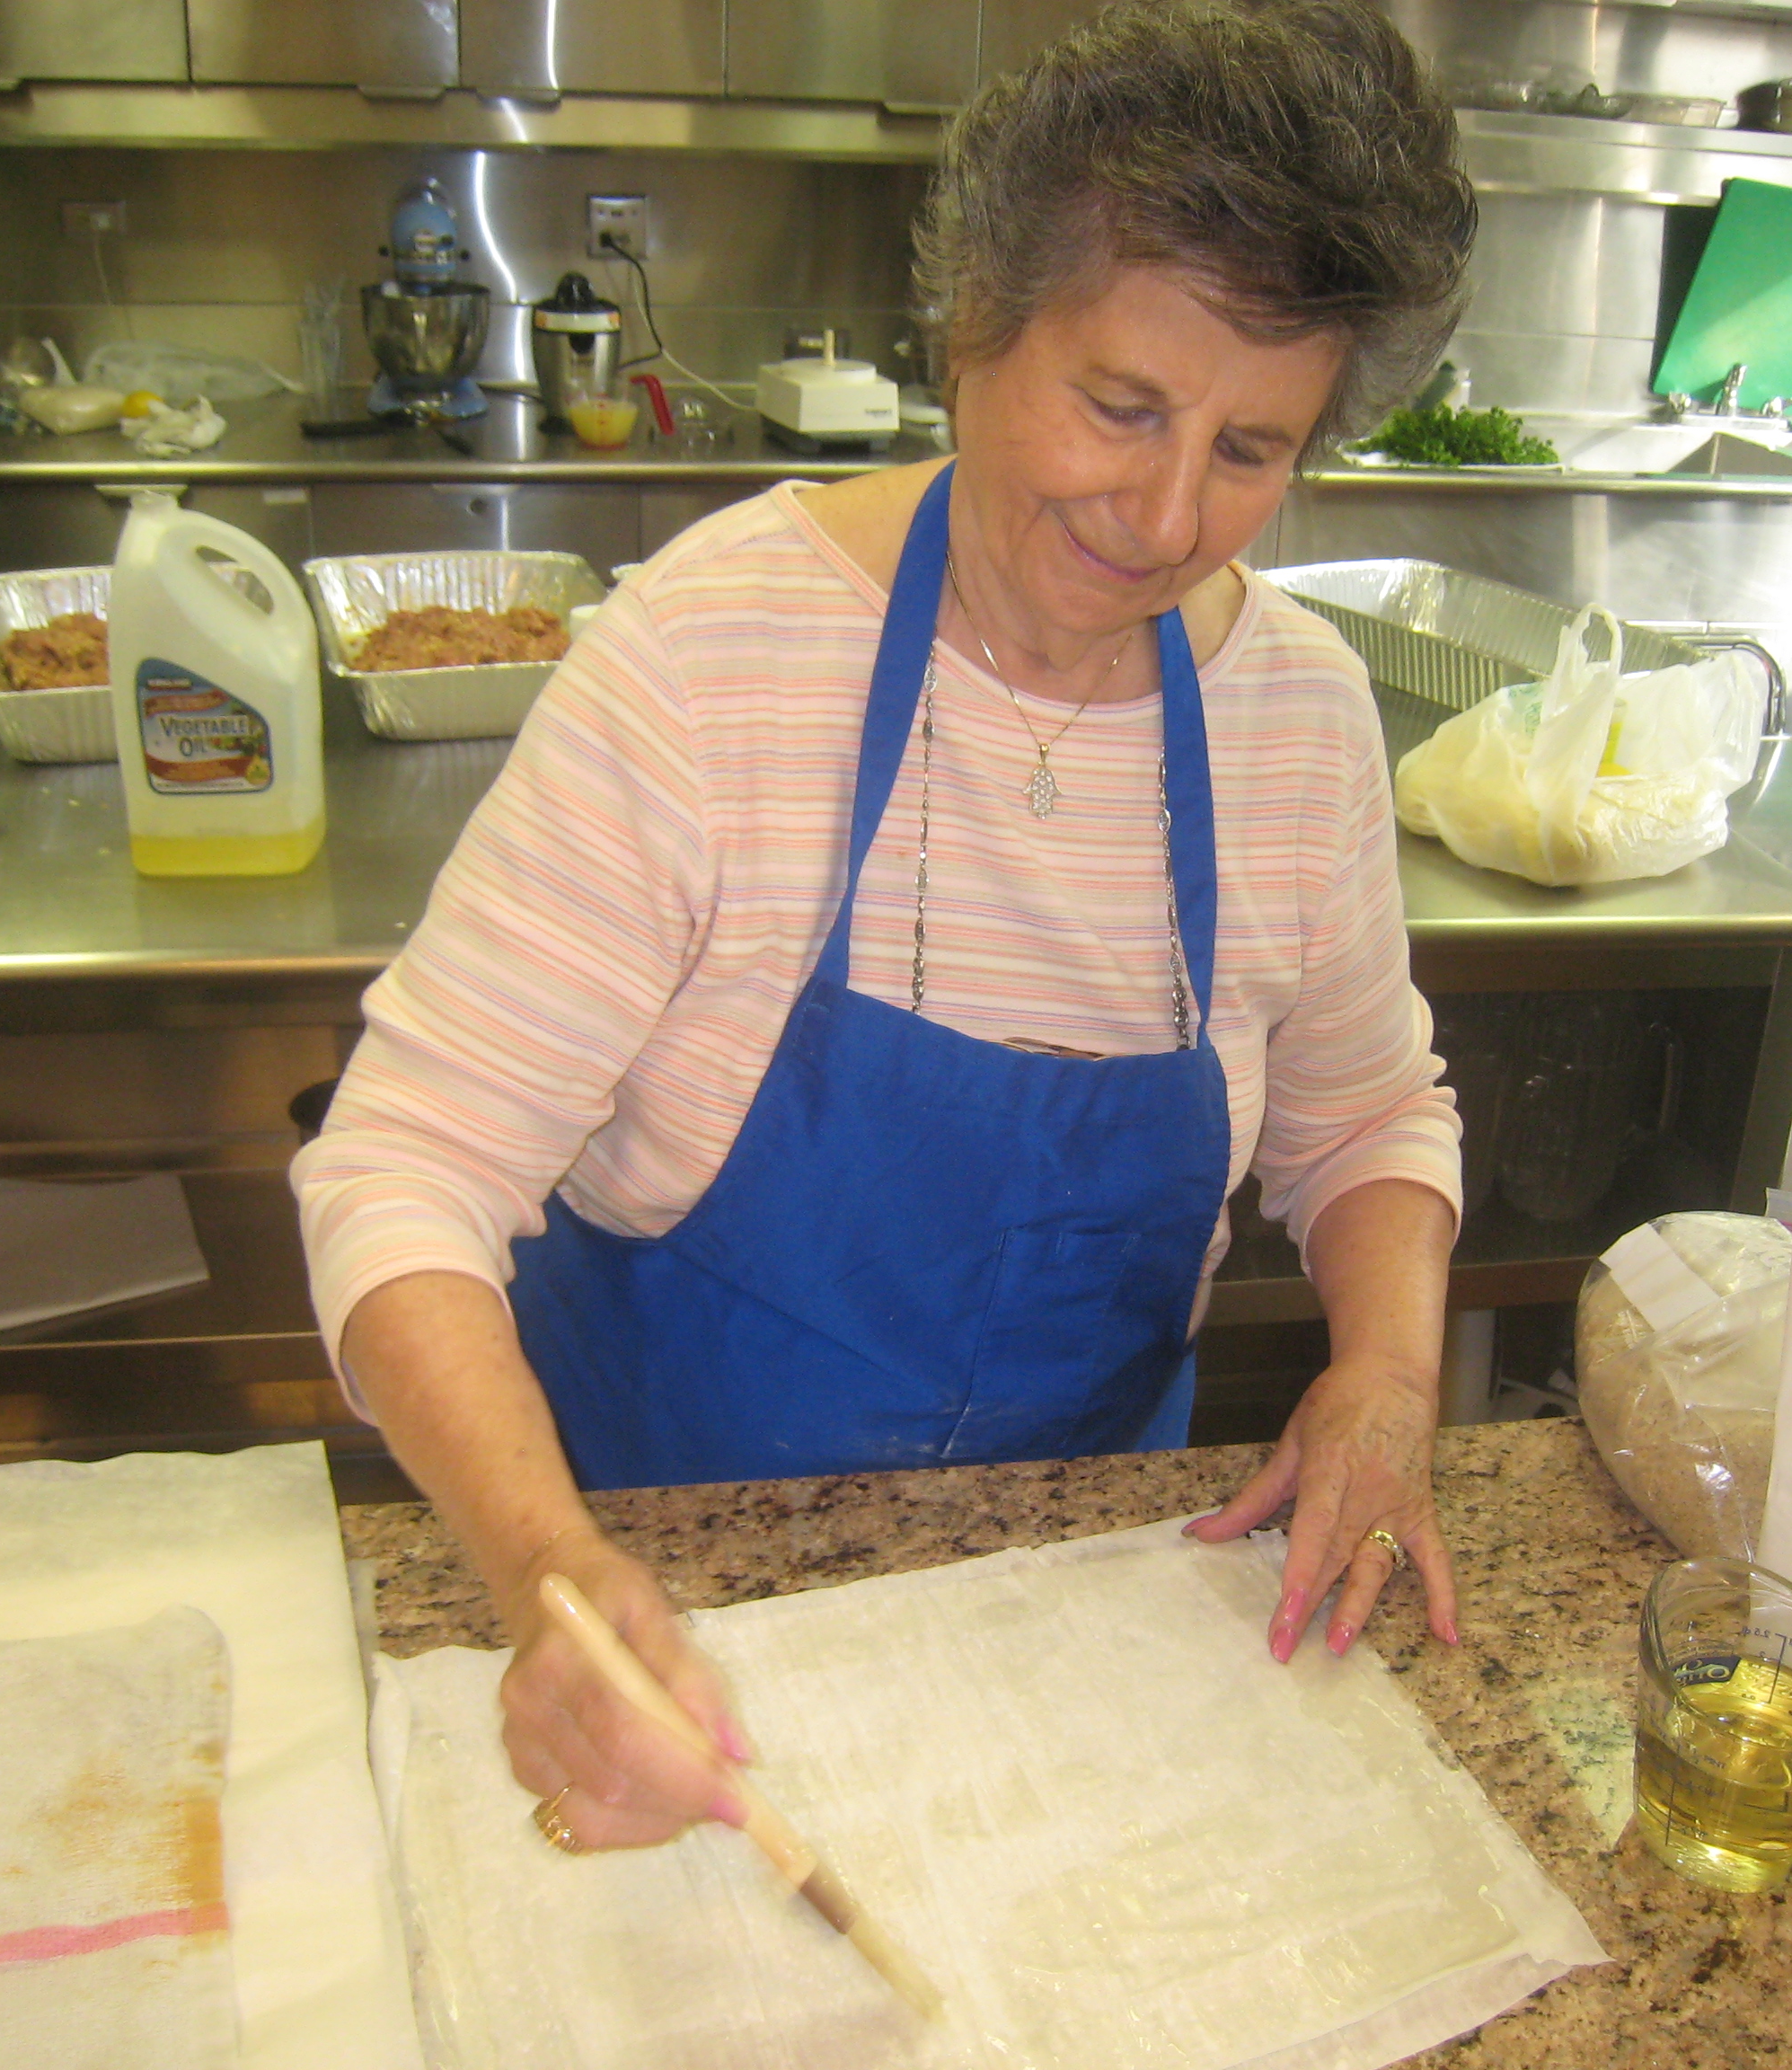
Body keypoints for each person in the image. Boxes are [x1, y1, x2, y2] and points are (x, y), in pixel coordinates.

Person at [293, 0, 1479, 1853]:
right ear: (972, 332)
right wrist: (545, 1573)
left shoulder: (1300, 720)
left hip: (1075, 1641)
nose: (1169, 516)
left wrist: (1386, 1378)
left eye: (1253, 449)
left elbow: (1369, 1120)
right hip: (666, 1638)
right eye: (1120, 406)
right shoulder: (709, 662)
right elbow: (402, 1167)